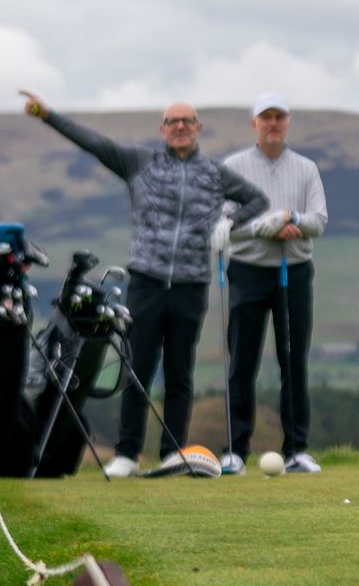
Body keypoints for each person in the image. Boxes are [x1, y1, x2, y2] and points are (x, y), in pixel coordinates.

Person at [19, 91, 268, 477]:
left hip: (191, 284)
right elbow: (94, 143)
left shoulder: (215, 174)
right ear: (162, 130)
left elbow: (256, 200)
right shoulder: (140, 162)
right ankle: (127, 453)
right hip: (146, 282)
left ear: (198, 129)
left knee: (180, 373)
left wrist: (229, 223)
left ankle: (173, 451)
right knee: (138, 369)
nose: (180, 126)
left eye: (187, 121)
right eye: (173, 121)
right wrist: (48, 115)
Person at [218, 93, 330, 475]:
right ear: (254, 124)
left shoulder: (305, 168)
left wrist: (291, 215)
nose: (273, 124)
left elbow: (318, 220)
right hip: (248, 272)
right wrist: (264, 228)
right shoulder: (233, 167)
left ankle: (297, 448)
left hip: (294, 273)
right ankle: (234, 450)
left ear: (287, 122)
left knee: (293, 361)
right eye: (265, 118)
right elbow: (224, 227)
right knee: (242, 362)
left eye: (279, 117)